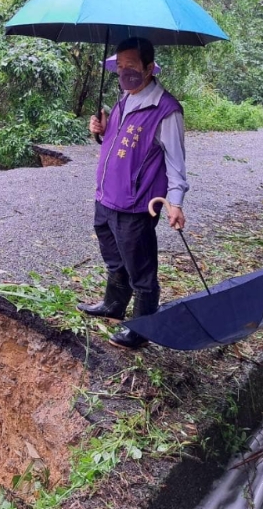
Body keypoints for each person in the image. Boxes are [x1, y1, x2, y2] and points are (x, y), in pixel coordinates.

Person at [77, 37, 189, 350]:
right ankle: (113, 304)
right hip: (106, 196)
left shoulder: (166, 111)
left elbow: (176, 163)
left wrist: (176, 203)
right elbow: (115, 144)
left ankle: (142, 328)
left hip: (136, 204)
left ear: (150, 68)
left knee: (141, 268)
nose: (125, 73)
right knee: (114, 258)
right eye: (121, 67)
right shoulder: (123, 100)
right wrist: (100, 130)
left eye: (132, 67)